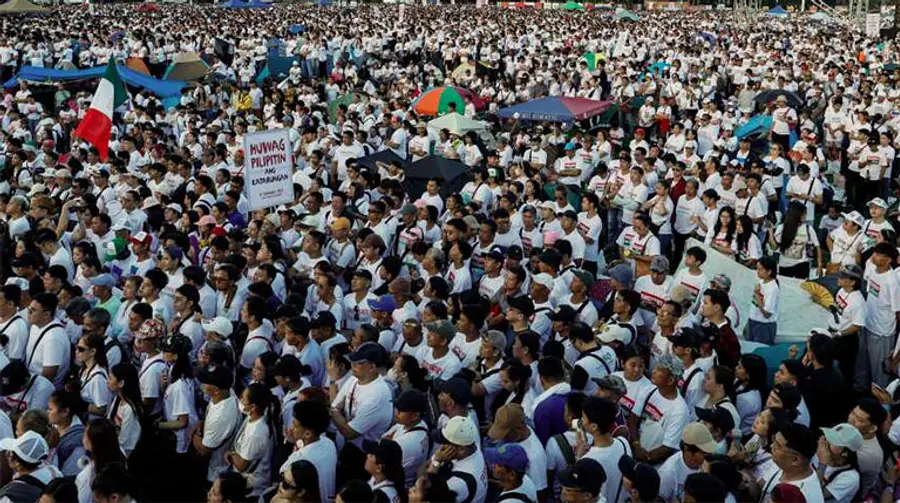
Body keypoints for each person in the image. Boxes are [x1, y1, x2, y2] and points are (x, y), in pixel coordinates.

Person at [755, 422, 824, 503]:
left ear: (795, 459)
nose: (771, 446)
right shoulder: (781, 464)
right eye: (774, 440)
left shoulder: (802, 496)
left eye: (778, 445)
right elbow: (760, 489)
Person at [427, 416, 487, 503]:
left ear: (461, 449)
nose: (442, 446)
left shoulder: (458, 482)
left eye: (445, 442)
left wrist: (436, 461)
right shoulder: (472, 446)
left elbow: (425, 489)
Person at [0, 430, 58, 503]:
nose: (7, 456)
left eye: (9, 454)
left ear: (18, 464)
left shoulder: (11, 496)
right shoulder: (53, 471)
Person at [76, 418, 125, 503]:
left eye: (85, 435)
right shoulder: (121, 455)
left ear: (93, 445)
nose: (82, 438)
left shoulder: (87, 477)